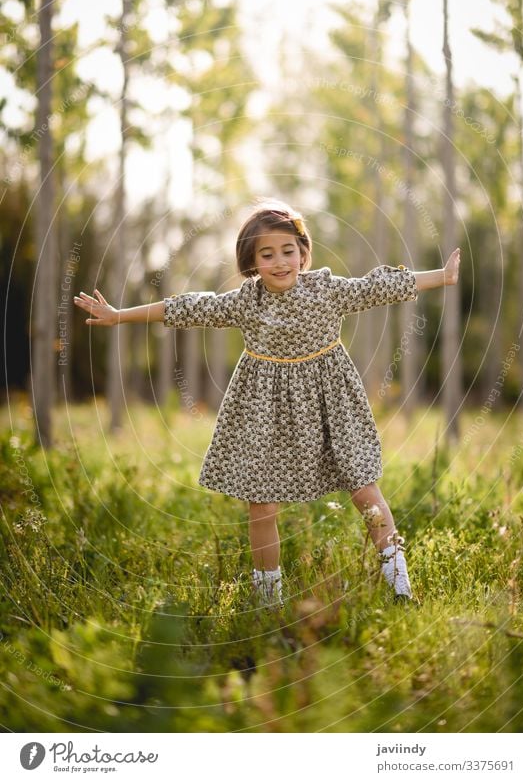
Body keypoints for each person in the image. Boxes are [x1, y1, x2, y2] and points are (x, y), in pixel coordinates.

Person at [73, 198, 461, 610]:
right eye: (267, 254)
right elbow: (185, 307)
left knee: (364, 488)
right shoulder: (246, 301)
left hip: (333, 403)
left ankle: (399, 584)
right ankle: (268, 602)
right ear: (252, 261)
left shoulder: (326, 290)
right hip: (265, 410)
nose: (280, 262)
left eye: (288, 251)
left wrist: (443, 276)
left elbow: (376, 286)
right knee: (261, 503)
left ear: (304, 254)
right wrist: (118, 315)